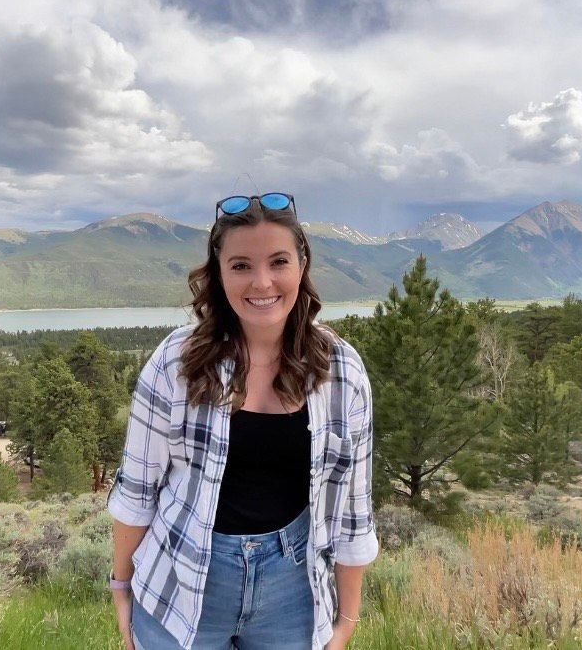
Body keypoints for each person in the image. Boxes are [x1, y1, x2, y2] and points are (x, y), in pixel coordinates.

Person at [105, 192, 378, 650]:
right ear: (218, 273)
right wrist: (121, 586)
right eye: (241, 266)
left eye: (278, 261)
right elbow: (138, 488)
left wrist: (345, 620)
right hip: (179, 578)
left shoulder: (342, 371)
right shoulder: (177, 360)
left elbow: (353, 509)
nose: (262, 282)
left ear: (302, 266)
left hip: (293, 589)